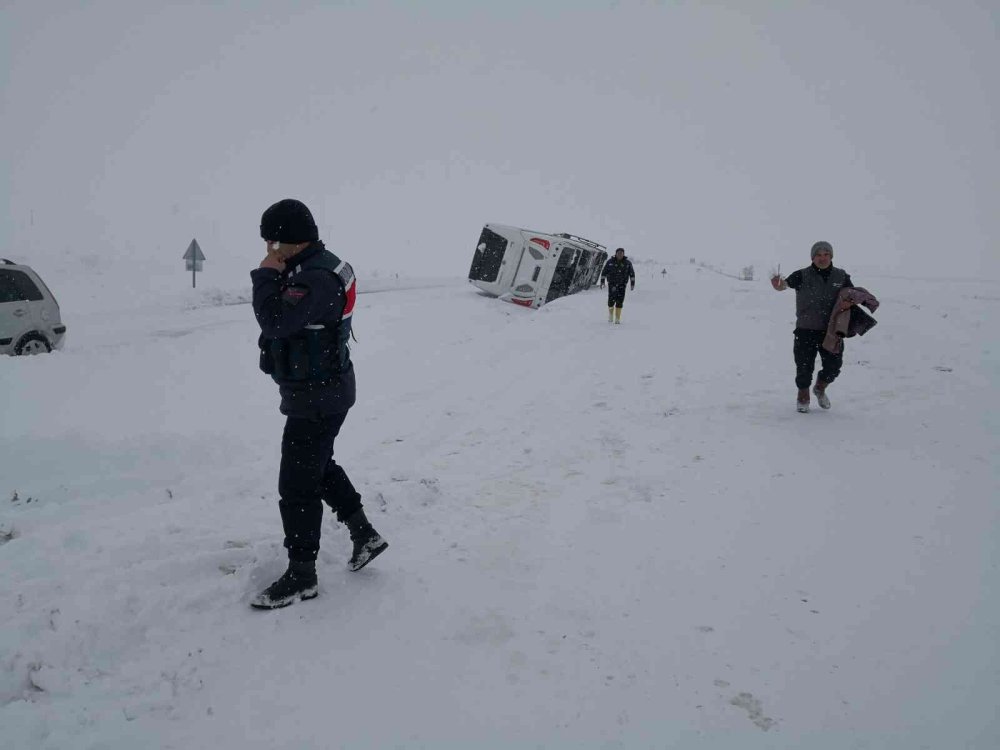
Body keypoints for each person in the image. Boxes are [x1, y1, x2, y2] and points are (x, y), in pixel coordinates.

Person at [250, 198, 388, 609]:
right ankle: (364, 534)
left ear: (290, 241)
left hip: (318, 396)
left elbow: (275, 320)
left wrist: (264, 275)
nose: (270, 250)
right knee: (318, 465)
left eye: (273, 242)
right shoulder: (316, 266)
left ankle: (302, 575)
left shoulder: (315, 279)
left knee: (295, 485)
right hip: (324, 390)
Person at [771, 241, 856, 413]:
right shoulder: (802, 275)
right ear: (812, 257)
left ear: (831, 256)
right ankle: (803, 395)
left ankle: (820, 387)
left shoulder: (841, 276)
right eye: (818, 255)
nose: (822, 258)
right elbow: (784, 285)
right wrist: (779, 285)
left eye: (826, 254)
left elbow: (851, 295)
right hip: (805, 330)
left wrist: (849, 302)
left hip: (831, 332)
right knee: (803, 367)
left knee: (834, 367)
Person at [600, 247, 635, 324]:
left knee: (620, 301)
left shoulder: (627, 263)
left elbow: (632, 274)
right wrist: (602, 281)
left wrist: (632, 284)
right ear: (616, 254)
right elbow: (604, 272)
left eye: (621, 253)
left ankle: (617, 319)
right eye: (618, 253)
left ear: (623, 254)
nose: (620, 255)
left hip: (622, 285)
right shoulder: (610, 262)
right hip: (612, 285)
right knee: (611, 301)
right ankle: (610, 316)